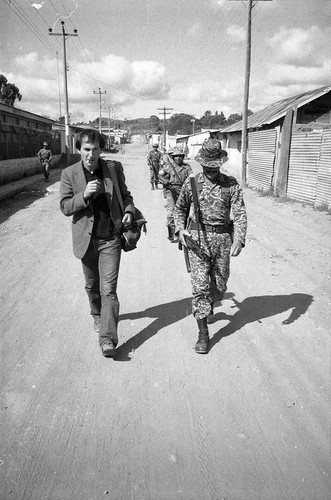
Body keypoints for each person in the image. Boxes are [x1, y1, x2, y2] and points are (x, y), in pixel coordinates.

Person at [60, 129, 135, 358]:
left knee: (108, 290)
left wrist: (129, 213)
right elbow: (64, 206)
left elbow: (127, 196)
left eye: (95, 149)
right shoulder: (69, 173)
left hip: (111, 238)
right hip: (87, 241)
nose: (91, 154)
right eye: (86, 149)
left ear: (101, 150)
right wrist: (83, 195)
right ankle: (97, 315)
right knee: (92, 287)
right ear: (78, 150)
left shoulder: (113, 168)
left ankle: (107, 339)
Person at [174, 139, 247, 354]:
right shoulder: (192, 183)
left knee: (220, 286)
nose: (210, 169)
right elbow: (179, 210)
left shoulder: (231, 184)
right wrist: (180, 230)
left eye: (214, 165)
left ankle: (211, 303)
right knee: (200, 287)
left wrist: (239, 239)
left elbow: (240, 213)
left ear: (220, 164)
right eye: (207, 165)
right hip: (197, 241)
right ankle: (203, 333)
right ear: (201, 163)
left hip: (223, 241)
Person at [158, 146, 192, 242]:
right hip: (171, 191)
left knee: (184, 212)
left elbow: (191, 177)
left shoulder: (187, 167)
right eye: (176, 156)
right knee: (171, 212)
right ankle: (171, 233)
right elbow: (159, 174)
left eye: (181, 156)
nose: (179, 158)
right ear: (173, 157)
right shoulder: (168, 166)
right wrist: (165, 181)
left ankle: (182, 231)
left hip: (183, 191)